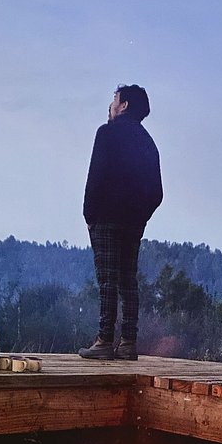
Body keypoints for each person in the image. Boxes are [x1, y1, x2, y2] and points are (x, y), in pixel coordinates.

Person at [79, 84, 163, 361]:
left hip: (105, 218)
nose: (111, 105)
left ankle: (104, 340)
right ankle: (128, 342)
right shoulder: (149, 143)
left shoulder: (106, 134)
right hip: (133, 222)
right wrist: (140, 216)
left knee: (107, 280)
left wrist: (89, 215)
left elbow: (96, 176)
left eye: (114, 100)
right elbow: (157, 193)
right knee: (128, 279)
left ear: (124, 105)